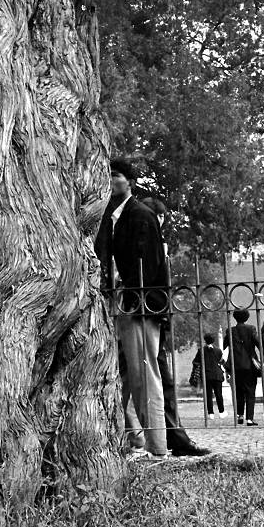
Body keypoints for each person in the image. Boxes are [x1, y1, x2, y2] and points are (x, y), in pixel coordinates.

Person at [96, 160, 170, 460]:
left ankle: (157, 446)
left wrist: (133, 293)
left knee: (144, 375)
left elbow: (149, 264)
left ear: (130, 181)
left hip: (140, 307)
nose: (111, 181)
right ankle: (135, 440)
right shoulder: (112, 216)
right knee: (124, 378)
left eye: (116, 176)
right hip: (123, 306)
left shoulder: (140, 215)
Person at [138, 196, 210, 456]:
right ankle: (166, 439)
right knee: (159, 381)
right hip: (145, 317)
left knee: (158, 382)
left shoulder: (153, 246)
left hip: (150, 315)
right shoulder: (146, 245)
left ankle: (171, 437)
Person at [224, 310, 260, 426]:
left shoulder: (230, 330)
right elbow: (259, 343)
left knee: (238, 391)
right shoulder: (251, 329)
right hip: (249, 365)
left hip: (235, 365)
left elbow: (225, 345)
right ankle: (249, 418)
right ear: (247, 317)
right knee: (250, 391)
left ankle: (240, 415)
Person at [194, 332, 225, 420]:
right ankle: (221, 412)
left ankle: (210, 413)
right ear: (214, 340)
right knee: (219, 394)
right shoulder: (218, 350)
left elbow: (196, 362)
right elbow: (221, 361)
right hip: (217, 375)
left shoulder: (201, 351)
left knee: (208, 395)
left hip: (206, 375)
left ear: (205, 340)